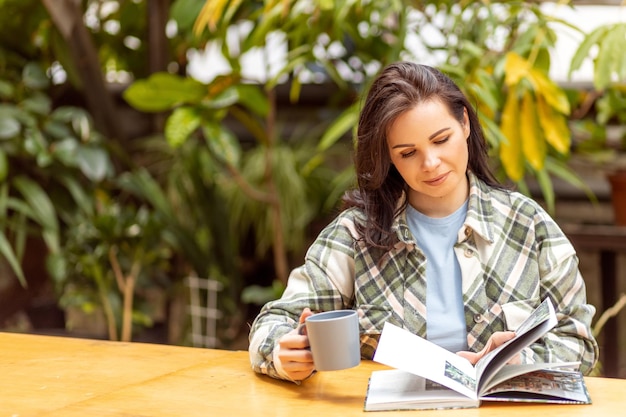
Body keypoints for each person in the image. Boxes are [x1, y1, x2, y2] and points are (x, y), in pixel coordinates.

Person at [248, 61, 599, 383]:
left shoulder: (529, 225)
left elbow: (579, 342)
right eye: (407, 153)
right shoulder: (356, 235)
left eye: (441, 140)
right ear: (388, 157)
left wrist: (520, 358)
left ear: (464, 124)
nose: (430, 163)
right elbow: (272, 323)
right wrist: (282, 351)